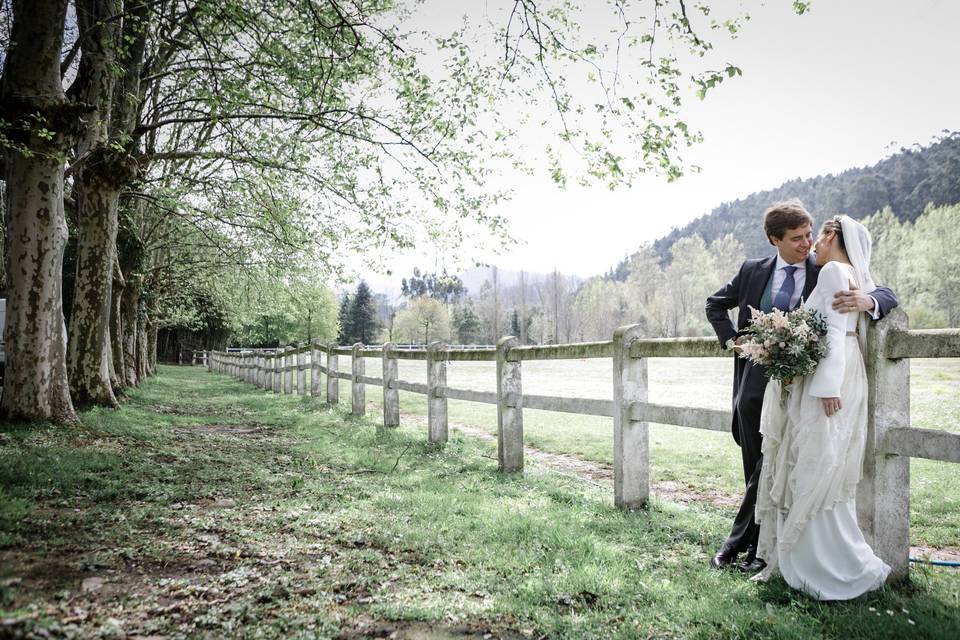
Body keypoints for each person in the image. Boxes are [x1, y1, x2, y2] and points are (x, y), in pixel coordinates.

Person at [704, 199, 898, 574]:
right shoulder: (751, 270)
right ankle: (759, 541)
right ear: (774, 239)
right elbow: (715, 304)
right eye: (796, 238)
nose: (806, 244)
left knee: (774, 466)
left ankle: (737, 545)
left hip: (803, 383)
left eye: (810, 235)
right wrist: (734, 341)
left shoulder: (827, 267)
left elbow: (882, 289)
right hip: (754, 384)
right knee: (758, 466)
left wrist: (869, 300)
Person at [751, 216, 891, 598]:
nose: (812, 244)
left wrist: (826, 387)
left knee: (816, 460)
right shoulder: (851, 273)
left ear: (832, 236)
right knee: (824, 460)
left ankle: (825, 564)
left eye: (818, 236)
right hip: (845, 370)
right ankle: (817, 555)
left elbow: (830, 329)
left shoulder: (833, 272)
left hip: (831, 378)